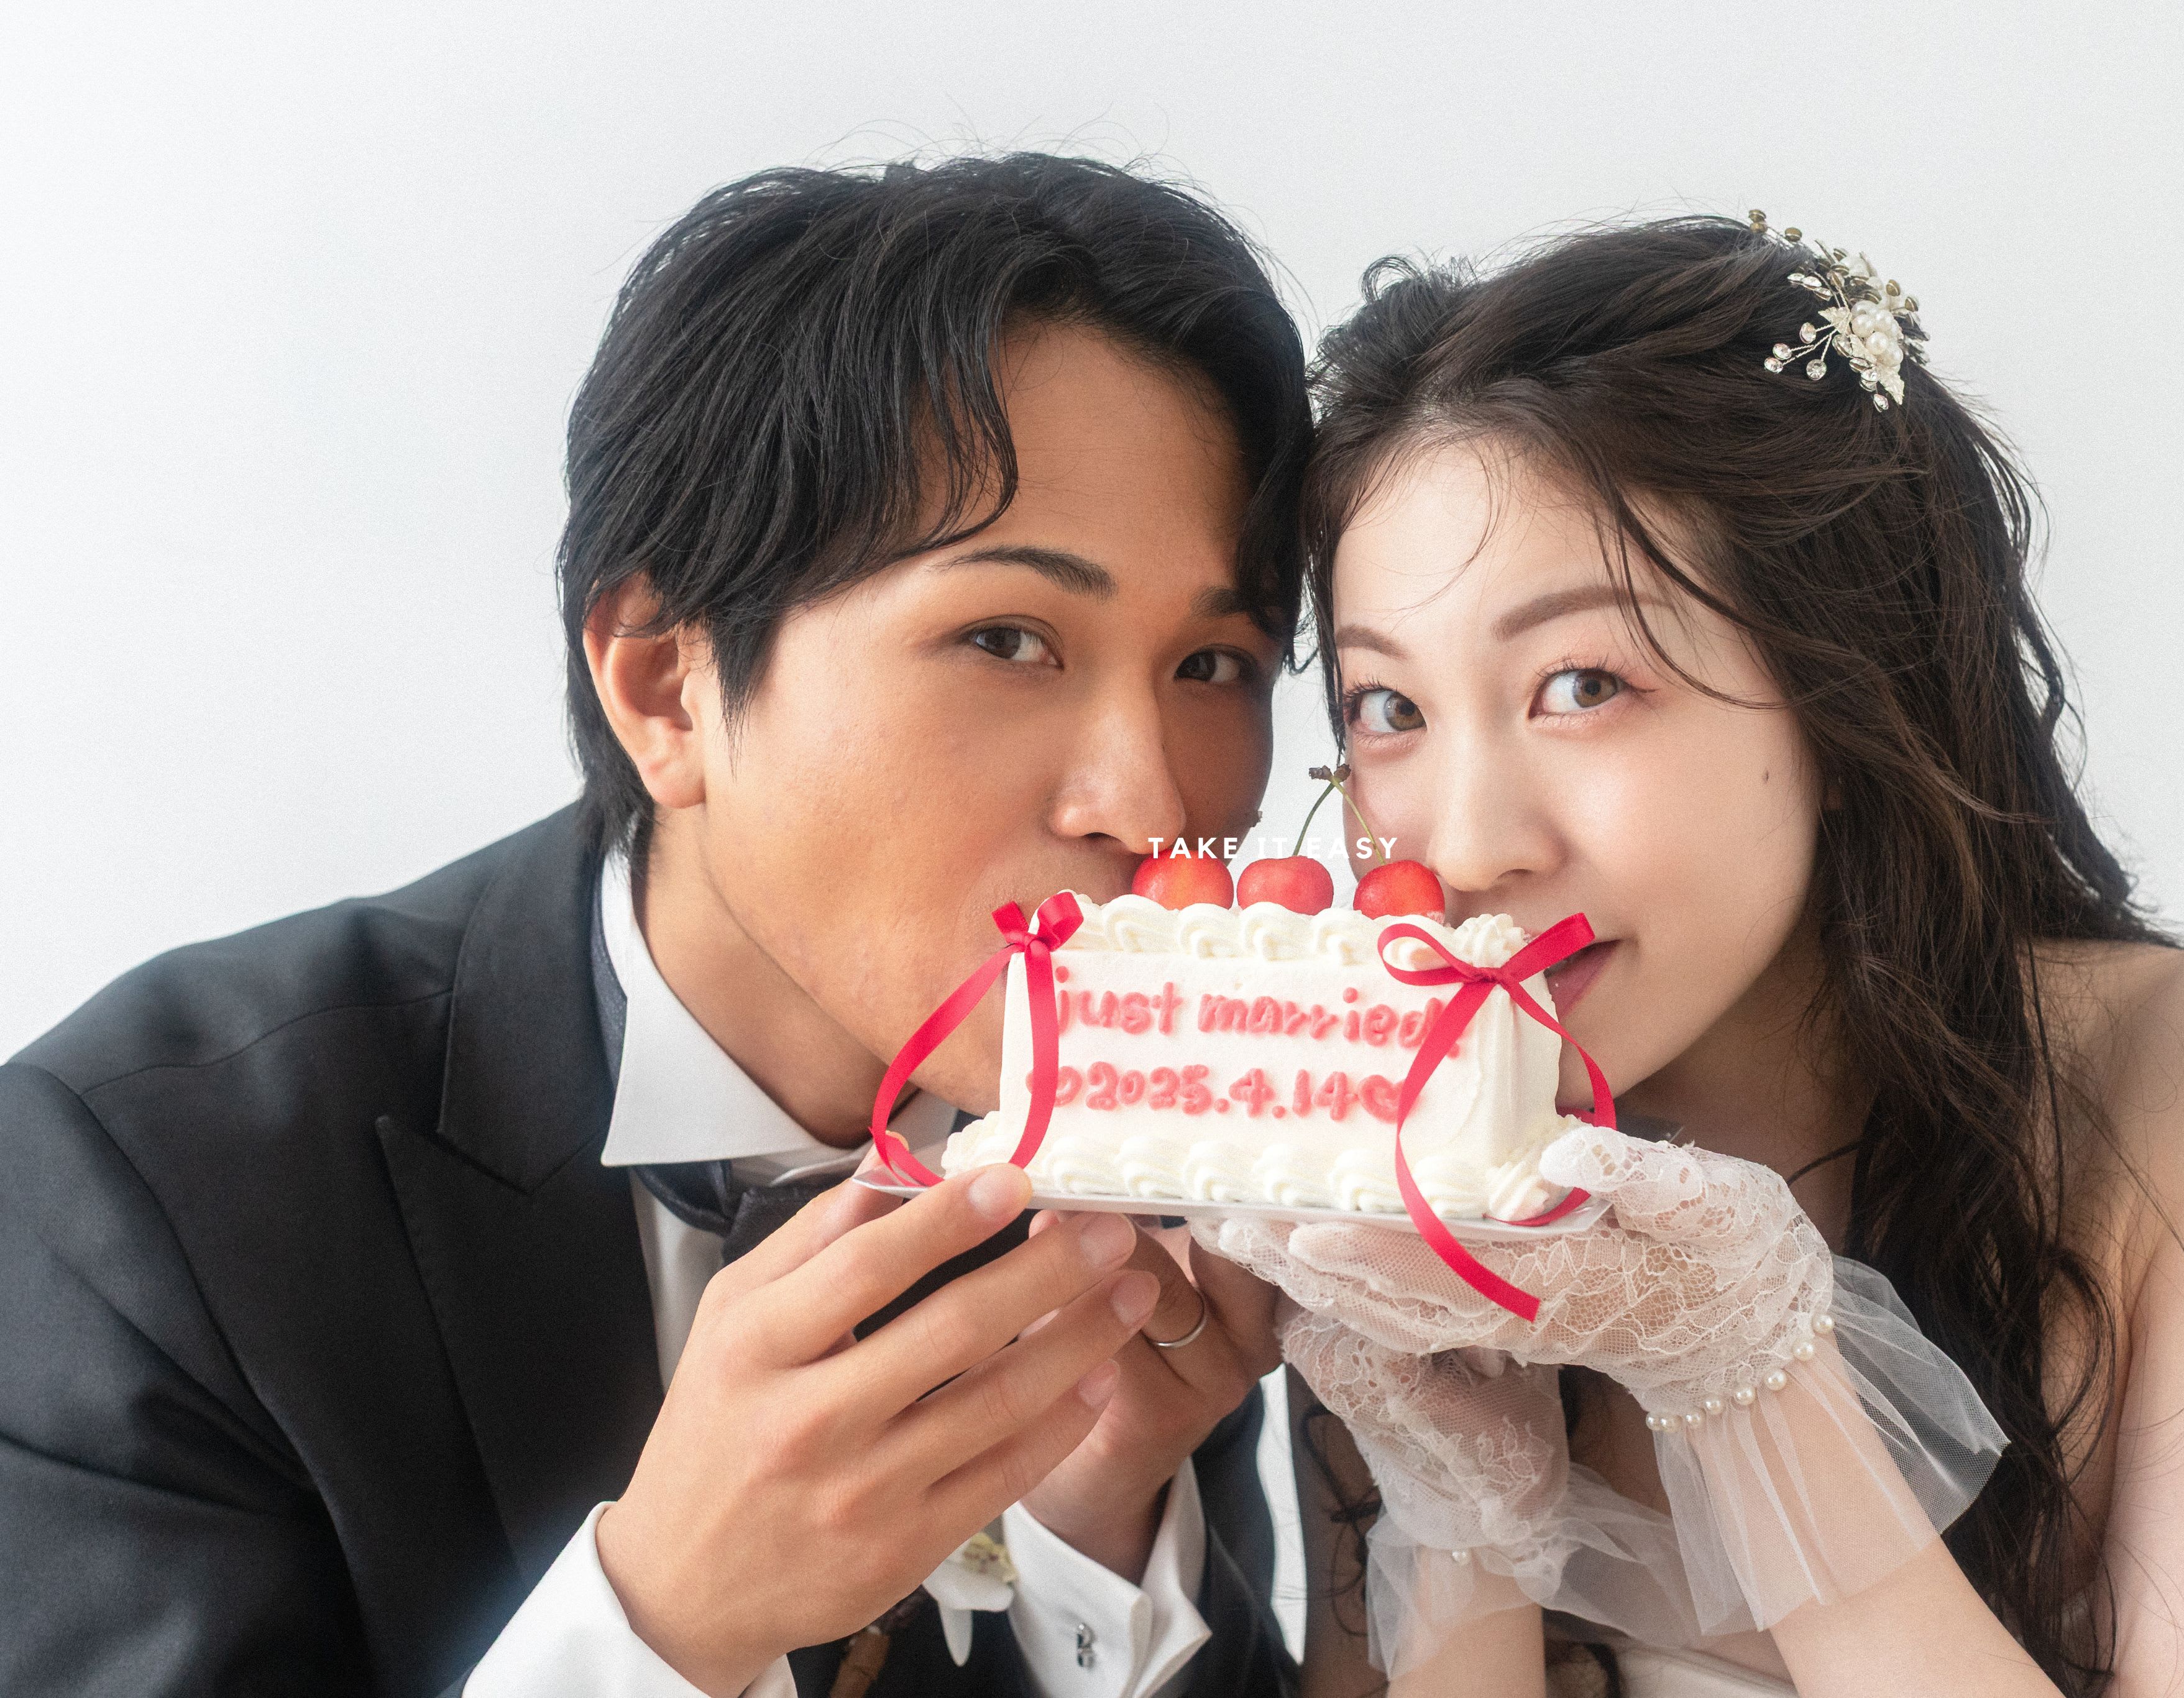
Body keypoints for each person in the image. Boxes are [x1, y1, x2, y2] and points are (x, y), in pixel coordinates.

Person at [0, 154, 1313, 1698]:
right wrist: (658, 1629)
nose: (1149, 797)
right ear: (663, 683)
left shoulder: (1164, 1161)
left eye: (1213, 665)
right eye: (1009, 637)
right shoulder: (133, 1194)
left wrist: (1091, 1525)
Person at [1221, 216, 2184, 1696]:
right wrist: (1462, 1532)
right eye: (1387, 710)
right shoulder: (1396, 1180)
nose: (1465, 844)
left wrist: (1751, 1377)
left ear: (1849, 689)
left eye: (1580, 683)